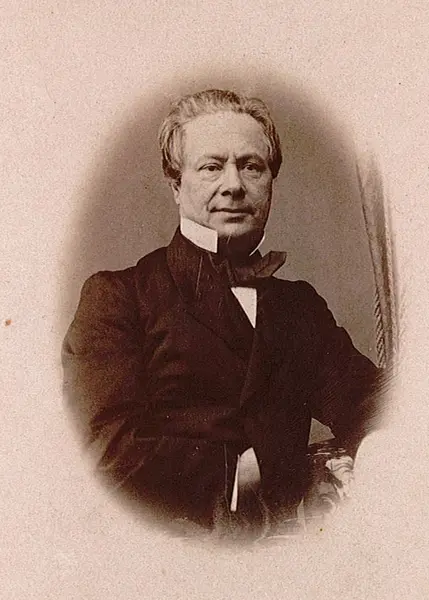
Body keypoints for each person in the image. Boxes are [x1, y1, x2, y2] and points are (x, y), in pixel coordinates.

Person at [62, 89, 383, 539]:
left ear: (270, 183)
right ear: (176, 186)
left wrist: (381, 451)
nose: (233, 185)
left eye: (251, 166)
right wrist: (244, 470)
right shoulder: (119, 297)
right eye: (211, 167)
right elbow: (105, 450)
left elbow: (371, 403)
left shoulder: (299, 309)